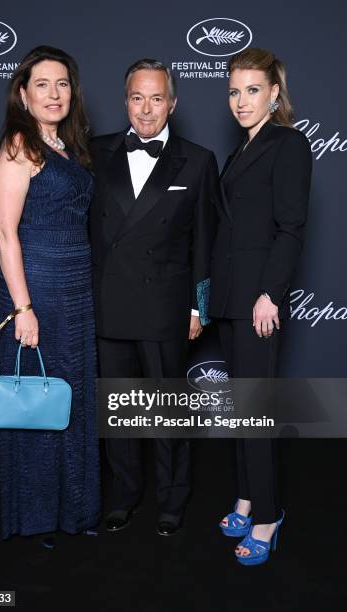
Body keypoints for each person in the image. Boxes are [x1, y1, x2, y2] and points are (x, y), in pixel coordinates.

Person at [90, 59, 220, 536]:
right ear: (126, 100)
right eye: (137, 97)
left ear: (173, 102)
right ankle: (123, 495)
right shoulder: (96, 152)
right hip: (109, 303)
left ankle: (172, 498)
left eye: (157, 98)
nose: (146, 109)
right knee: (119, 410)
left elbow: (206, 240)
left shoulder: (199, 159)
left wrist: (197, 307)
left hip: (166, 305)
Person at [0, 46, 100, 546]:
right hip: (38, 286)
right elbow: (5, 232)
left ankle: (74, 511)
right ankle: (37, 518)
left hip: (77, 288)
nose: (54, 94)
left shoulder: (68, 147)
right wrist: (22, 307)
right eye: (42, 84)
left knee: (71, 399)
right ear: (23, 92)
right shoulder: (21, 144)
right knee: (37, 400)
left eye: (62, 84)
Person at [208, 48, 312, 565]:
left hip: (259, 302)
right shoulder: (239, 152)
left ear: (274, 92)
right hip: (230, 299)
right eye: (234, 90)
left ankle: (268, 517)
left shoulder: (288, 144)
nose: (241, 100)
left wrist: (270, 293)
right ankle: (248, 497)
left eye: (252, 90)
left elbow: (291, 228)